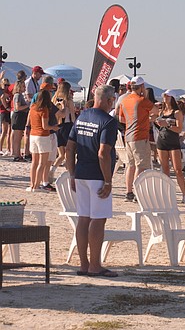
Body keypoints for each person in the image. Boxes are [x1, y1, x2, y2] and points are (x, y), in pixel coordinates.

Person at [65, 84, 119, 277]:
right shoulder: (108, 122)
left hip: (81, 172)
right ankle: (95, 265)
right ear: (109, 100)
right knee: (98, 219)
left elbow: (70, 148)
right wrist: (108, 181)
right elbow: (103, 153)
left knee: (84, 218)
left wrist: (72, 173)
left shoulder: (82, 116)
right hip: (97, 175)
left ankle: (84, 264)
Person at [116, 76, 155, 202]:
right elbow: (156, 110)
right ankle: (138, 192)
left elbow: (121, 119)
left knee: (130, 165)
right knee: (141, 165)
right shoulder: (142, 100)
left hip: (128, 135)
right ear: (142, 87)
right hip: (139, 136)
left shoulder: (125, 100)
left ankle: (129, 192)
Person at [154, 90, 185, 203]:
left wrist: (167, 125)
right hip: (162, 141)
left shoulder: (177, 112)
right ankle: (167, 194)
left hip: (173, 141)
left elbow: (179, 129)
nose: (165, 98)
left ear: (172, 98)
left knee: (178, 169)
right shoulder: (162, 111)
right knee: (165, 169)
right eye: (164, 96)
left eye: (167, 96)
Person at [27, 83, 59, 191]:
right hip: (43, 136)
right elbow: (45, 126)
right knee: (42, 162)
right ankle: (36, 185)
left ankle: (32, 184)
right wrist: (54, 128)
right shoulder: (44, 109)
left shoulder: (32, 107)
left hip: (33, 134)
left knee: (34, 162)